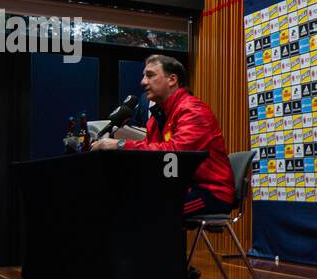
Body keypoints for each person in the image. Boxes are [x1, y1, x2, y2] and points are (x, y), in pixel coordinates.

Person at [91, 54, 234, 217]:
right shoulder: (156, 117)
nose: (143, 82)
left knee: (142, 211)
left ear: (172, 79)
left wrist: (119, 145)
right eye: (144, 76)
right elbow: (151, 159)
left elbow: (175, 153)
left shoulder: (192, 110)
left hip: (209, 193)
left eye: (150, 75)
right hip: (175, 188)